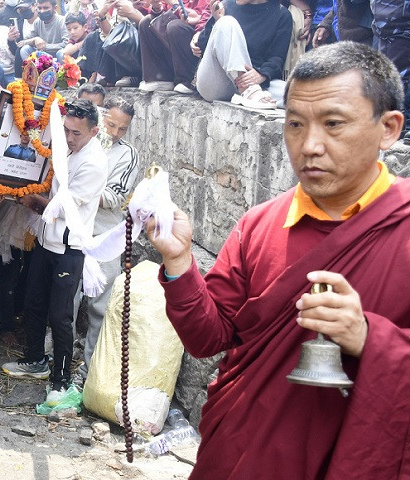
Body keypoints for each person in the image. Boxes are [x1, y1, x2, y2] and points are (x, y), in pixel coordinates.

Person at [146, 42, 408, 478]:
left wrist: (368, 339)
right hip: (244, 453)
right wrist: (180, 263)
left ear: (389, 128)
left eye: (333, 124)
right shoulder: (261, 224)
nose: (309, 146)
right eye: (295, 125)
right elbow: (209, 339)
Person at [2, 99, 108, 399]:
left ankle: (61, 379)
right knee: (34, 303)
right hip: (47, 242)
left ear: (94, 131)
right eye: (66, 131)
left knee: (61, 316)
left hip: (70, 249)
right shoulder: (68, 150)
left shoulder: (94, 162)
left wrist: (30, 200)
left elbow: (64, 208)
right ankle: (35, 359)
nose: (70, 138)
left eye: (77, 133)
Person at [77, 97, 139, 380]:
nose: (114, 133)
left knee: (99, 308)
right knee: (64, 301)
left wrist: (77, 190)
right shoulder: (81, 141)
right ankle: (51, 359)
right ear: (101, 118)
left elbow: (113, 197)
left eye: (122, 129)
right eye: (111, 124)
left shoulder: (127, 155)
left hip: (103, 238)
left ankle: (90, 372)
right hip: (73, 232)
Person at [192, 0, 292, 109]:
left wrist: (262, 74)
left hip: (254, 81)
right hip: (218, 82)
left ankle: (250, 91)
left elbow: (277, 58)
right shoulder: (226, 5)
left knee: (296, 93)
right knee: (226, 22)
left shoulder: (282, 14)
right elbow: (203, 48)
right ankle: (248, 91)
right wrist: (215, 21)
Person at [134, 0, 211, 94]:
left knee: (175, 26)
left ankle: (188, 81)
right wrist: (157, 8)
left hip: (196, 34)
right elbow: (165, 13)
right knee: (146, 22)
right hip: (175, 35)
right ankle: (161, 78)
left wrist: (176, 5)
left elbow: (208, 14)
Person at [370, 0, 410, 139]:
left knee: (399, 78)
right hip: (384, 28)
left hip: (401, 27)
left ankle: (402, 125)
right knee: (388, 78)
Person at [8, 1, 39, 77]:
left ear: (34, 6)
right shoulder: (19, 24)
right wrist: (11, 40)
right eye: (20, 10)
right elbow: (16, 50)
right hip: (25, 62)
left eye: (25, 8)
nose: (23, 12)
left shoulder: (42, 21)